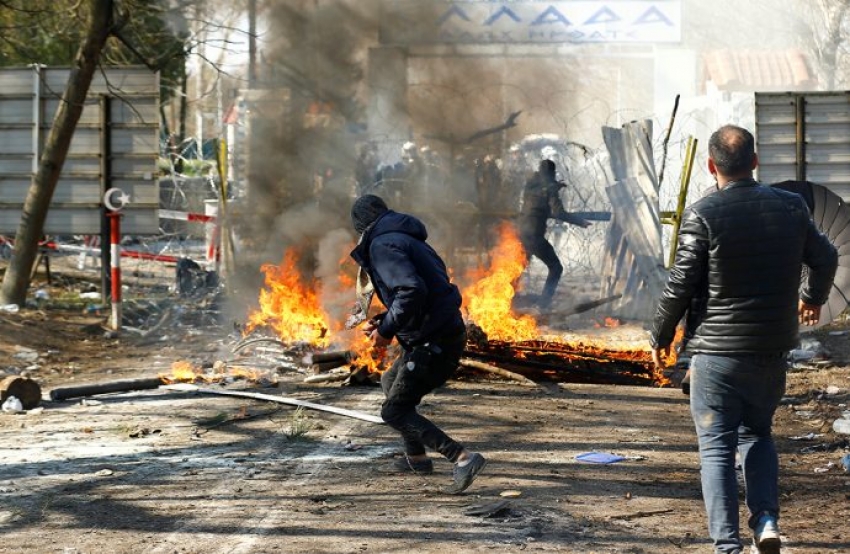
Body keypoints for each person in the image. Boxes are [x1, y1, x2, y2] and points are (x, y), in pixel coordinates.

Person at [649, 125, 838, 554]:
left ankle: (727, 546)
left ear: (712, 165)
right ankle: (767, 522)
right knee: (758, 434)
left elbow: (680, 284)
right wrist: (812, 297)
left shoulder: (702, 214)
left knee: (716, 448)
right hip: (770, 350)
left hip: (716, 355)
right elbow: (826, 256)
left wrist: (660, 334)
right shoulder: (791, 207)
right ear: (755, 161)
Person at [349, 194, 487, 494]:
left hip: (433, 341)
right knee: (390, 380)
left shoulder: (383, 245)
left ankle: (462, 458)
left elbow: (411, 291)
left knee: (393, 412)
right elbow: (420, 294)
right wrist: (385, 318)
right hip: (434, 334)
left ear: (361, 225)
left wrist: (386, 331)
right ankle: (417, 457)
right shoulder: (405, 238)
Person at [517, 159, 590, 309]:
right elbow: (558, 212)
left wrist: (554, 186)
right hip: (534, 235)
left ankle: (507, 300)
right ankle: (543, 305)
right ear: (552, 173)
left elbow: (538, 195)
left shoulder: (530, 186)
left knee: (517, 267)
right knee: (556, 268)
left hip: (520, 233)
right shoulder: (549, 188)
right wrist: (579, 222)